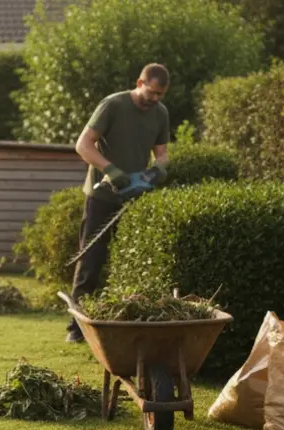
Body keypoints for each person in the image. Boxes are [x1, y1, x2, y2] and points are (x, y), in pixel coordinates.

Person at [67, 63, 172, 343]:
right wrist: (110, 170)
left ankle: (119, 322)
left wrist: (157, 170)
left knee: (127, 260)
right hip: (102, 196)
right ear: (139, 82)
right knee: (91, 260)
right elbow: (83, 145)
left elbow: (161, 154)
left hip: (135, 197)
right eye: (151, 92)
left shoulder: (160, 113)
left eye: (160, 95)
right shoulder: (112, 105)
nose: (155, 99)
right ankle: (77, 328)